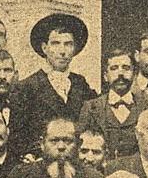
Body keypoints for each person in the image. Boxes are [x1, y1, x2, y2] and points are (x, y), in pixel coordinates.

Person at [10, 13, 95, 152]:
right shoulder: (26, 87)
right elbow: (18, 137)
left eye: (68, 44)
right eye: (56, 44)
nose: (62, 51)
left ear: (74, 49)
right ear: (45, 48)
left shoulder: (81, 84)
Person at [77, 48, 148, 161]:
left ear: (134, 74)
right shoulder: (91, 107)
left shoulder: (147, 107)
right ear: (105, 76)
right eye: (114, 68)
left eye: (126, 68)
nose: (120, 73)